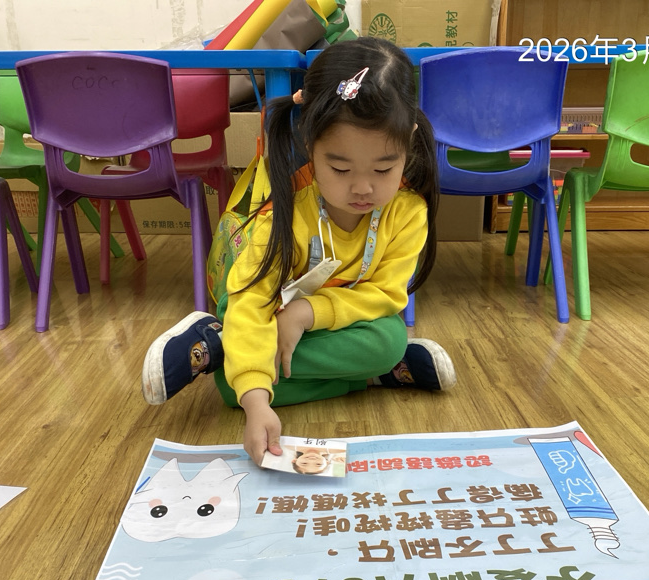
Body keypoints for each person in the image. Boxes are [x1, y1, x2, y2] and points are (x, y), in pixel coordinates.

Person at [142, 37, 456, 466]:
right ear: (310, 144)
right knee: (240, 391)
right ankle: (366, 374)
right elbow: (251, 300)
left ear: (409, 141)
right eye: (340, 168)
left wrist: (307, 313)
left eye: (384, 168)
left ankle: (223, 350)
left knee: (388, 340)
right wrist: (256, 401)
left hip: (329, 324)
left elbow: (385, 296)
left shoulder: (407, 211)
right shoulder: (285, 212)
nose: (363, 187)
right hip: (260, 309)